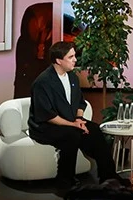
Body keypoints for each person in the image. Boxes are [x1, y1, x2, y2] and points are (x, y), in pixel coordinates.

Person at [28, 41, 117, 190]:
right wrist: (73, 125)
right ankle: (65, 182)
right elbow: (47, 115)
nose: (75, 60)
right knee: (72, 135)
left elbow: (80, 103)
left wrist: (79, 119)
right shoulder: (42, 82)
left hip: (69, 121)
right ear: (58, 60)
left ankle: (109, 176)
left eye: (74, 56)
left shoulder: (72, 77)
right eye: (71, 57)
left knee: (94, 130)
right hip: (45, 126)